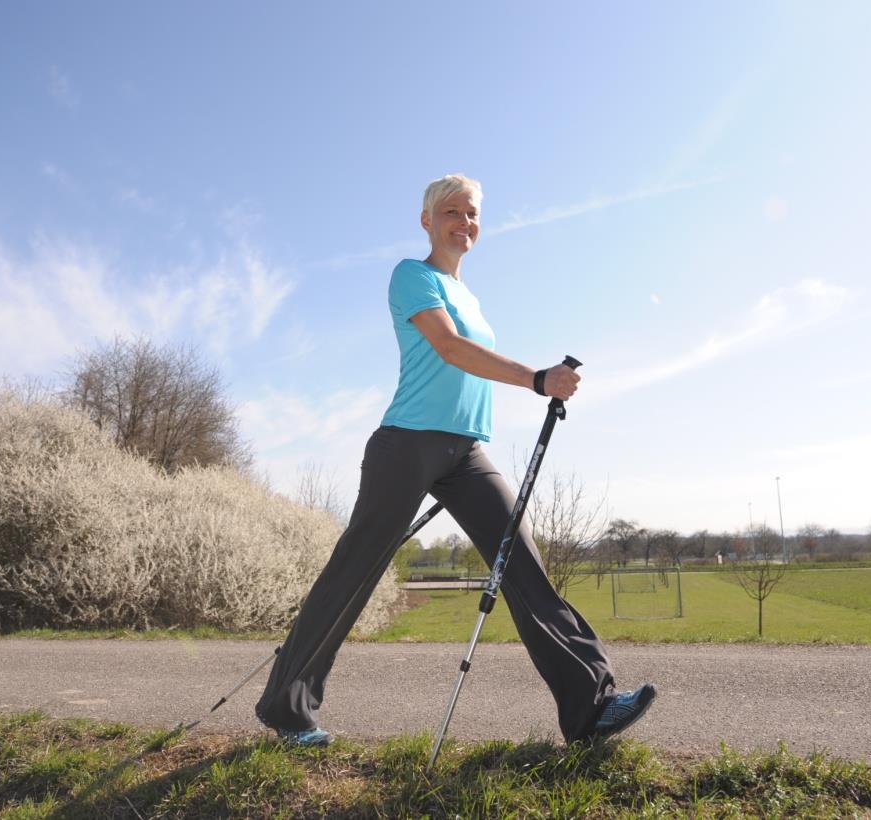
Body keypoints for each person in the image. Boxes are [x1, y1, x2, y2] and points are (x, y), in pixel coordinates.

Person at [254, 174, 655, 747]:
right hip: (406, 443)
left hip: (467, 449)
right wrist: (535, 378)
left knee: (523, 564)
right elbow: (450, 348)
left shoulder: (471, 296)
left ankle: (591, 709)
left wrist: (539, 381)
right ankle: (287, 710)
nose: (464, 222)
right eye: (452, 211)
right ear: (426, 220)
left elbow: (469, 352)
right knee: (356, 570)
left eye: (472, 214)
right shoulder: (411, 276)